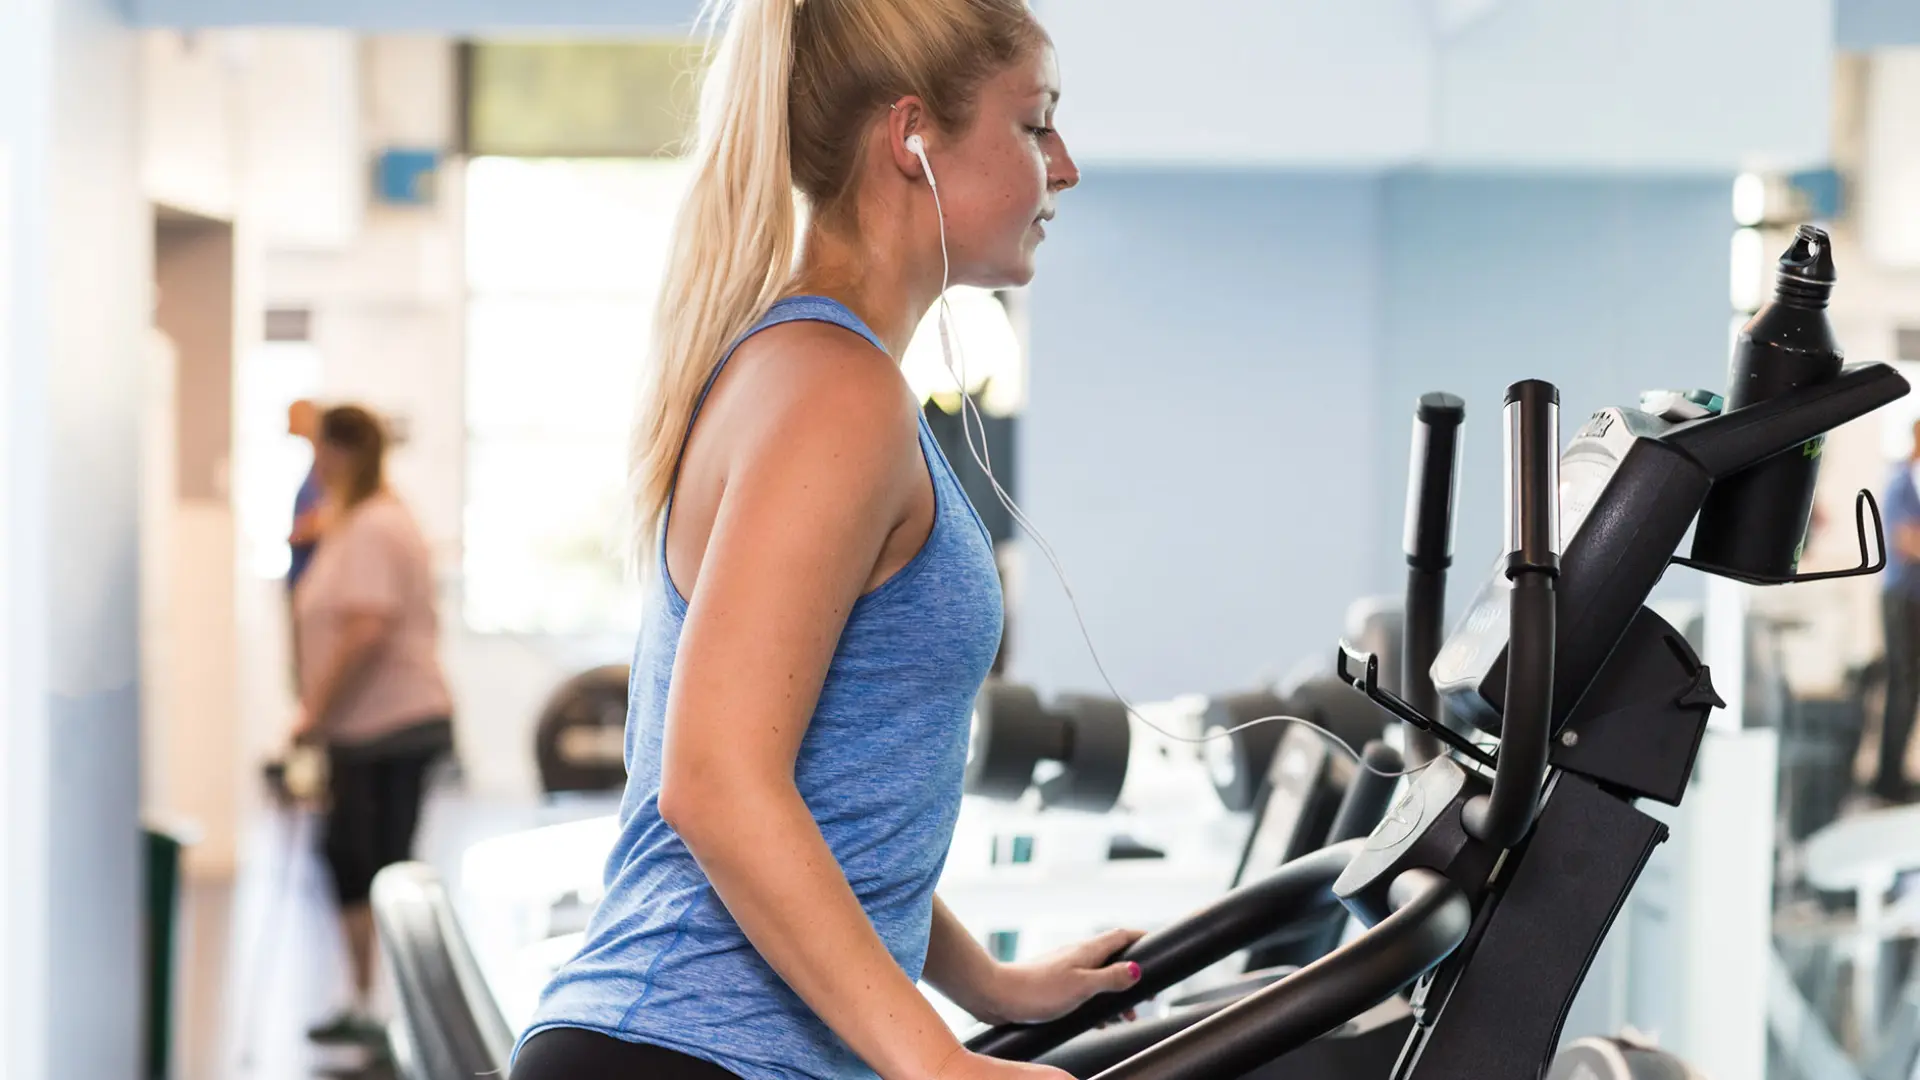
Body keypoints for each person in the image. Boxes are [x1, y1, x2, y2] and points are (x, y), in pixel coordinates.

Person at [512, 3, 1133, 1080]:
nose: (1064, 166)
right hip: (684, 1050)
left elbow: (839, 793)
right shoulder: (833, 395)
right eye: (1035, 124)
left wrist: (987, 985)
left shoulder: (823, 375)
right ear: (912, 137)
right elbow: (715, 783)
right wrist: (940, 1064)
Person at [291, 404, 456, 1045]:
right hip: (370, 727)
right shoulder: (359, 520)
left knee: (373, 869)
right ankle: (369, 1005)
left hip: (387, 724)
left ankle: (386, 1015)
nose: (315, 463)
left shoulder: (373, 526)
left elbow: (366, 629)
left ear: (341, 452)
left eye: (319, 449)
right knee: (357, 863)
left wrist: (315, 711)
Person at [1876, 418, 1920, 804]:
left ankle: (1895, 777)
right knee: (1902, 686)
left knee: (1910, 687)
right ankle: (1888, 780)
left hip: (1914, 597)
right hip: (1901, 597)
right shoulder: (1900, 483)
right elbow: (1906, 541)